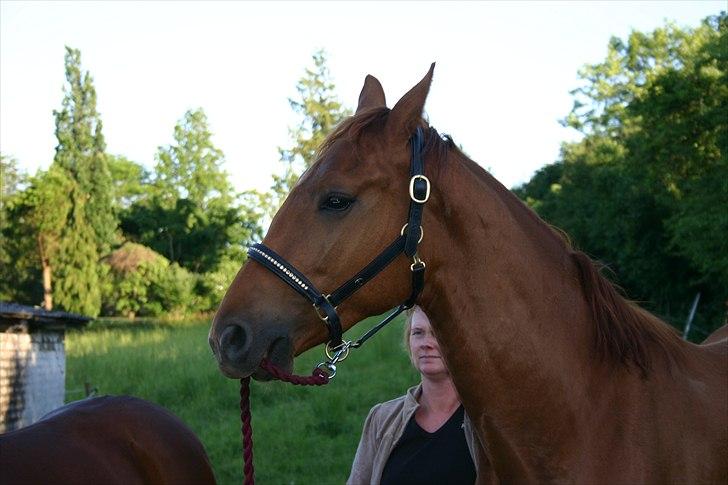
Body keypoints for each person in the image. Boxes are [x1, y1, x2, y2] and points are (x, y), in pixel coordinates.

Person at [347, 305, 488, 484]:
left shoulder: (486, 421)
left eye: (437, 332)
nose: (426, 343)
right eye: (418, 333)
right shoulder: (382, 418)